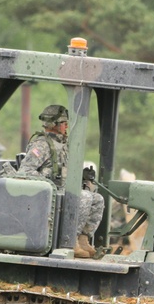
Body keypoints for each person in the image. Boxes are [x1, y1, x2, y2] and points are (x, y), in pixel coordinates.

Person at [14, 104, 104, 259]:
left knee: (97, 199)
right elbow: (25, 171)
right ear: (53, 125)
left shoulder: (64, 144)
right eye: (63, 122)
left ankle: (83, 239)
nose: (66, 125)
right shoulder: (41, 145)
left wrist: (81, 176)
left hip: (63, 190)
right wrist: (48, 183)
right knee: (84, 198)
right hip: (49, 194)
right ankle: (70, 241)